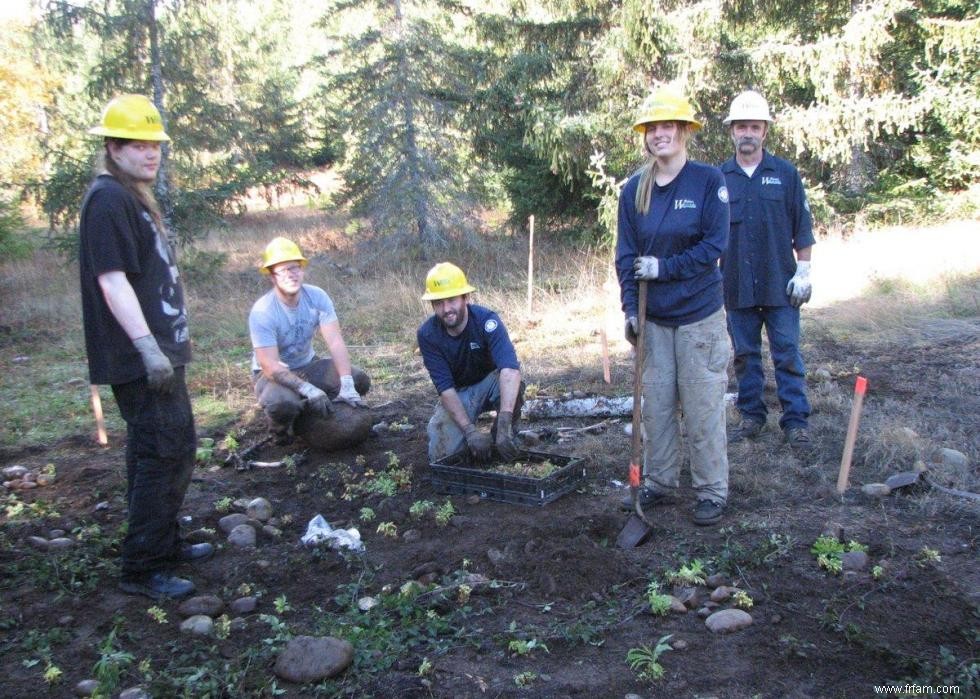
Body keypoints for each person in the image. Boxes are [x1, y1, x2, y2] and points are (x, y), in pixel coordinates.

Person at [79, 94, 212, 600]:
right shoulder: (108, 200)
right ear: (113, 147)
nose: (150, 153)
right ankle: (143, 566)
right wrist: (147, 347)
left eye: (154, 143)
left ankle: (161, 542)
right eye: (137, 144)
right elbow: (112, 282)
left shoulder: (130, 196)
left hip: (159, 353)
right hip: (141, 359)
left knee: (156, 449)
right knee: (166, 449)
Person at [615, 87, 732, 526]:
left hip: (699, 316)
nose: (660, 135)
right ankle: (661, 482)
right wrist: (630, 309)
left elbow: (715, 245)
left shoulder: (707, 181)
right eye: (652, 128)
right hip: (654, 320)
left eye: (668, 126)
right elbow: (626, 257)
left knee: (702, 407)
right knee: (657, 408)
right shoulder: (635, 190)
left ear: (685, 131)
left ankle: (711, 490)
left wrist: (664, 268)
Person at [719, 90, 815, 449]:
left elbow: (802, 227)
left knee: (787, 352)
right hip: (736, 285)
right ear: (732, 131)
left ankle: (796, 421)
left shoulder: (786, 174)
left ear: (765, 132)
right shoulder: (718, 179)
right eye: (741, 126)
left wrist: (803, 271)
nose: (748, 132)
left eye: (754, 126)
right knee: (744, 354)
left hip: (780, 284)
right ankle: (752, 417)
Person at [248, 237, 370, 444]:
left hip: (308, 364)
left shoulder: (317, 297)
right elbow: (269, 365)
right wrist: (307, 389)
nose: (290, 275)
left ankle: (315, 415)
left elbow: (335, 341)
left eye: (295, 268)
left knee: (359, 379)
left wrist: (347, 383)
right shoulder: (263, 311)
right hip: (270, 375)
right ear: (271, 276)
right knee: (283, 405)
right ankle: (280, 432)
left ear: (302, 269)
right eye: (282, 270)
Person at [417, 262, 523, 463]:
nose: (446, 309)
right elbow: (445, 389)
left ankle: (504, 434)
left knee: (510, 381)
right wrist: (469, 431)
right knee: (441, 456)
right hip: (459, 394)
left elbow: (510, 370)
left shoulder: (487, 321)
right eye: (439, 303)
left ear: (465, 298)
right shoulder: (427, 334)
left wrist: (503, 422)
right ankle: (474, 440)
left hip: (491, 383)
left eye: (451, 300)